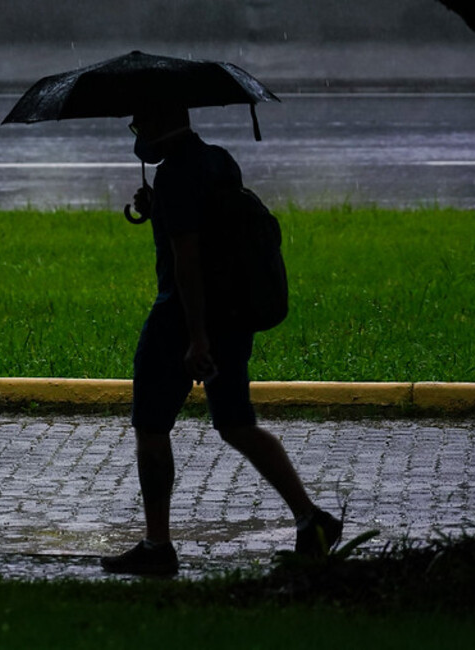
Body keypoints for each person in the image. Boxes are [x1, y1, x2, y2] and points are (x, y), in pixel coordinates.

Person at [100, 107, 342, 576]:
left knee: (151, 426)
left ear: (156, 124)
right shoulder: (217, 160)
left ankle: (157, 545)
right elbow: (213, 228)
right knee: (235, 422)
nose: (137, 131)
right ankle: (312, 518)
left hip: (181, 318)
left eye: (139, 122)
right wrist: (159, 210)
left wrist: (196, 338)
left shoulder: (174, 176)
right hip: (233, 315)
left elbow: (188, 260)